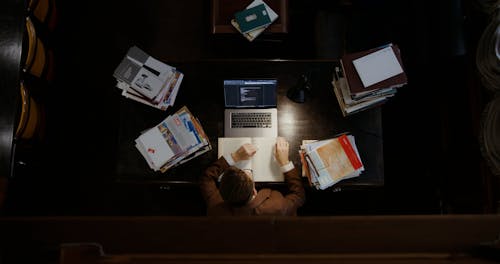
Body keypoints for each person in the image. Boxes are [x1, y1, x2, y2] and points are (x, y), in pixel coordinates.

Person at [200, 137, 305, 216]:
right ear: (254, 191)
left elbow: (207, 178)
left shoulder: (215, 205)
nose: (247, 170)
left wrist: (235, 156)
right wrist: (285, 162)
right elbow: (298, 196)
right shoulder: (278, 207)